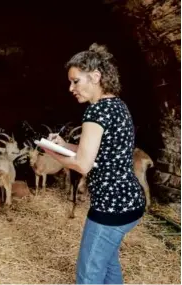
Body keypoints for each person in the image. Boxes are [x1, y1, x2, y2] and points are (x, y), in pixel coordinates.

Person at [40, 43, 146, 284]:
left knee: (88, 275)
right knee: (107, 264)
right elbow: (99, 152)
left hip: (111, 207)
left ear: (96, 77)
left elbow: (82, 164)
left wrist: (49, 152)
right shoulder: (117, 105)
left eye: (76, 81)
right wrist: (64, 145)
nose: (71, 88)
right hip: (130, 201)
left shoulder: (96, 112)